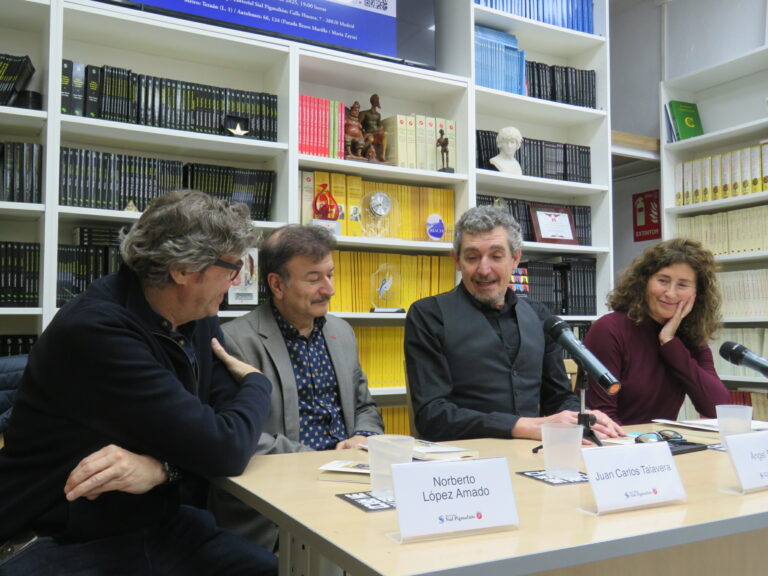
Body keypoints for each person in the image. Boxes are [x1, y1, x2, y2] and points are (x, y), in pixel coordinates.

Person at [0, 190, 277, 575]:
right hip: (60, 533)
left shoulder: (196, 315)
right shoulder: (97, 331)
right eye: (233, 267)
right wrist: (259, 383)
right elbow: (224, 446)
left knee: (264, 567)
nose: (237, 279)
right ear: (183, 270)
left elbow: (220, 428)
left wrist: (163, 468)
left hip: (151, 521)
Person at [211, 224, 384, 550]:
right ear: (277, 284)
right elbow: (238, 437)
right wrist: (321, 459)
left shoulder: (342, 333)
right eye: (314, 278)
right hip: (277, 504)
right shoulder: (235, 340)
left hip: (351, 486)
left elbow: (364, 406)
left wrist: (364, 438)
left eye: (330, 274)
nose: (329, 288)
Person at [405, 205, 622, 442]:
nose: (484, 269)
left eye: (496, 256)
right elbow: (432, 415)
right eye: (472, 257)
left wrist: (579, 416)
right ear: (456, 260)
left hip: (532, 456)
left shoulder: (540, 316)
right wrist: (522, 426)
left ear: (516, 258)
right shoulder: (429, 315)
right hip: (461, 463)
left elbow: (558, 397)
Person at [584, 238, 730, 425]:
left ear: (697, 294)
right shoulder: (609, 329)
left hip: (660, 444)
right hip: (616, 445)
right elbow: (602, 417)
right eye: (663, 281)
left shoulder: (689, 336)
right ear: (644, 282)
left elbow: (718, 408)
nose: (670, 293)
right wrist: (642, 447)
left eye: (682, 285)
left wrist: (669, 342)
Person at [358, 93, 388, 162]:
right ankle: (360, 152)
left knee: (385, 133)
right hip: (368, 134)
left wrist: (381, 129)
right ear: (372, 101)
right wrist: (364, 133)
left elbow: (379, 126)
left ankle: (383, 155)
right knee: (370, 139)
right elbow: (359, 125)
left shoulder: (378, 115)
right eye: (375, 100)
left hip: (376, 134)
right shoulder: (364, 113)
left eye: (377, 100)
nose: (377, 101)